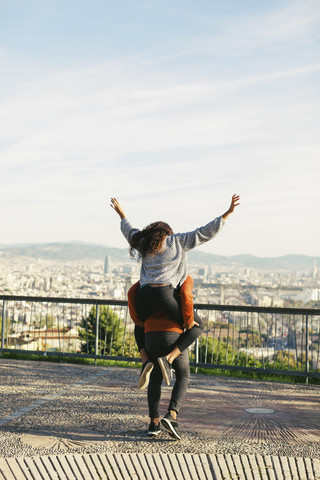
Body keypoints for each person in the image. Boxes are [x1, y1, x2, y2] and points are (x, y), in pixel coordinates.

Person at [110, 195, 240, 388]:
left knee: (140, 324)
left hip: (144, 296)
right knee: (198, 325)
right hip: (164, 295)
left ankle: (146, 360)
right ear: (167, 232)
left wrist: (121, 214)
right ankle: (169, 358)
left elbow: (129, 232)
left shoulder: (144, 242)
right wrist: (226, 215)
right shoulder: (177, 241)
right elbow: (204, 233)